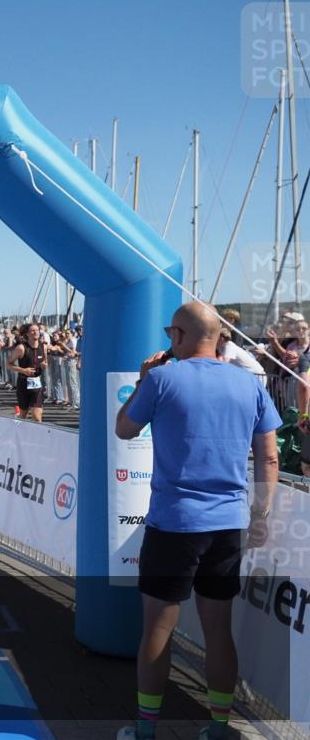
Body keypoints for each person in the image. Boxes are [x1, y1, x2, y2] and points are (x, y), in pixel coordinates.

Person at [114, 302, 280, 740]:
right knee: (218, 630)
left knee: (158, 628)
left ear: (182, 336)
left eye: (171, 332)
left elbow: (123, 430)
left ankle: (146, 731)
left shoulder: (163, 379)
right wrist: (261, 514)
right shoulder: (250, 384)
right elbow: (268, 456)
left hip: (174, 523)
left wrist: (141, 383)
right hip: (227, 524)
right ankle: (219, 727)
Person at [7, 322, 54, 422]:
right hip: (23, 383)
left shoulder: (43, 347)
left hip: (36, 384)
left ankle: (38, 437)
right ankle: (21, 433)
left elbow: (45, 361)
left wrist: (43, 365)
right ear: (27, 334)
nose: (35, 332)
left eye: (37, 330)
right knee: (23, 415)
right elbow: (9, 364)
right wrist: (23, 370)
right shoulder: (21, 348)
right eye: (32, 330)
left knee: (37, 416)